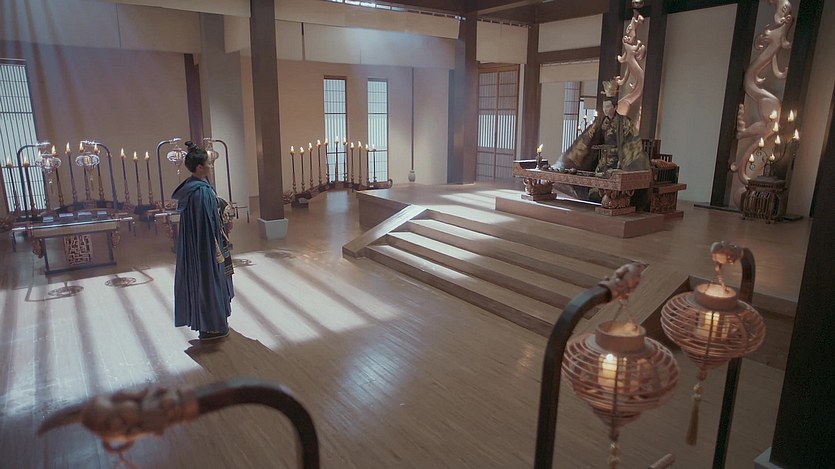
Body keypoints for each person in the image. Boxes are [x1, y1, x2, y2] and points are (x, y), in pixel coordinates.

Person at [172, 141, 234, 340]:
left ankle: (206, 325)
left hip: (195, 246)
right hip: (207, 248)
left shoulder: (191, 188)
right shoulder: (202, 192)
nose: (210, 166)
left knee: (199, 282)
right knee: (209, 281)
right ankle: (212, 326)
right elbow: (209, 225)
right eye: (208, 163)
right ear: (199, 167)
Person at [554, 78, 650, 202]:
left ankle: (614, 198)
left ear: (615, 107)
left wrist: (623, 160)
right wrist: (568, 159)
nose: (605, 109)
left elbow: (632, 142)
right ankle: (599, 196)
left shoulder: (625, 122)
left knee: (612, 177)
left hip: (618, 159)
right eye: (604, 106)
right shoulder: (601, 122)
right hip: (603, 159)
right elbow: (587, 138)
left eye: (608, 106)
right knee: (596, 180)